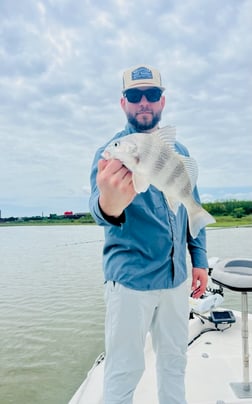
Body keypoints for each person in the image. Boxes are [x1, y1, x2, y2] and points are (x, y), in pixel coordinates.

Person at [89, 65, 209, 404]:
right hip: (130, 283)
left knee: (175, 362)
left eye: (152, 95)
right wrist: (109, 203)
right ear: (123, 102)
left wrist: (198, 259)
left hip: (177, 279)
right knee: (124, 370)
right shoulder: (110, 153)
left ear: (162, 100)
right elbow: (100, 209)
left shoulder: (180, 151)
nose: (144, 102)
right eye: (135, 95)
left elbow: (191, 208)